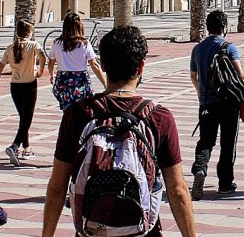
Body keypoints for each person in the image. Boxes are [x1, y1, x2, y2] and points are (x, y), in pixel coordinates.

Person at [42, 25, 196, 237]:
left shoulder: (78, 113)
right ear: (141, 67)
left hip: (93, 228)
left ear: (103, 64)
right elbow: (177, 190)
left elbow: (57, 187)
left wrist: (47, 234)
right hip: (142, 230)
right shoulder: (159, 117)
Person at [189, 9, 244, 199]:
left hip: (206, 103)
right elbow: (240, 73)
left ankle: (200, 169)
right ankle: (225, 183)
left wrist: (200, 92)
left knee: (206, 141)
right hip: (228, 103)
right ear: (224, 27)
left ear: (207, 27)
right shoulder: (228, 48)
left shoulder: (197, 49)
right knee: (228, 142)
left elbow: (193, 75)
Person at [0, 20, 46, 166]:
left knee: (23, 118)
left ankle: (26, 148)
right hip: (29, 85)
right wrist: (39, 72)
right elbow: (43, 57)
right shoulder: (33, 45)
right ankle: (14, 146)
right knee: (27, 119)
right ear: (29, 33)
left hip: (15, 86)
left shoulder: (10, 48)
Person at [47, 13, 106, 112]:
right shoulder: (84, 43)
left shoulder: (57, 43)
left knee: (67, 110)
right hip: (80, 79)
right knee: (83, 109)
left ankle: (68, 125)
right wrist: (105, 83)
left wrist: (51, 74)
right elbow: (94, 65)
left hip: (63, 79)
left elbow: (51, 62)